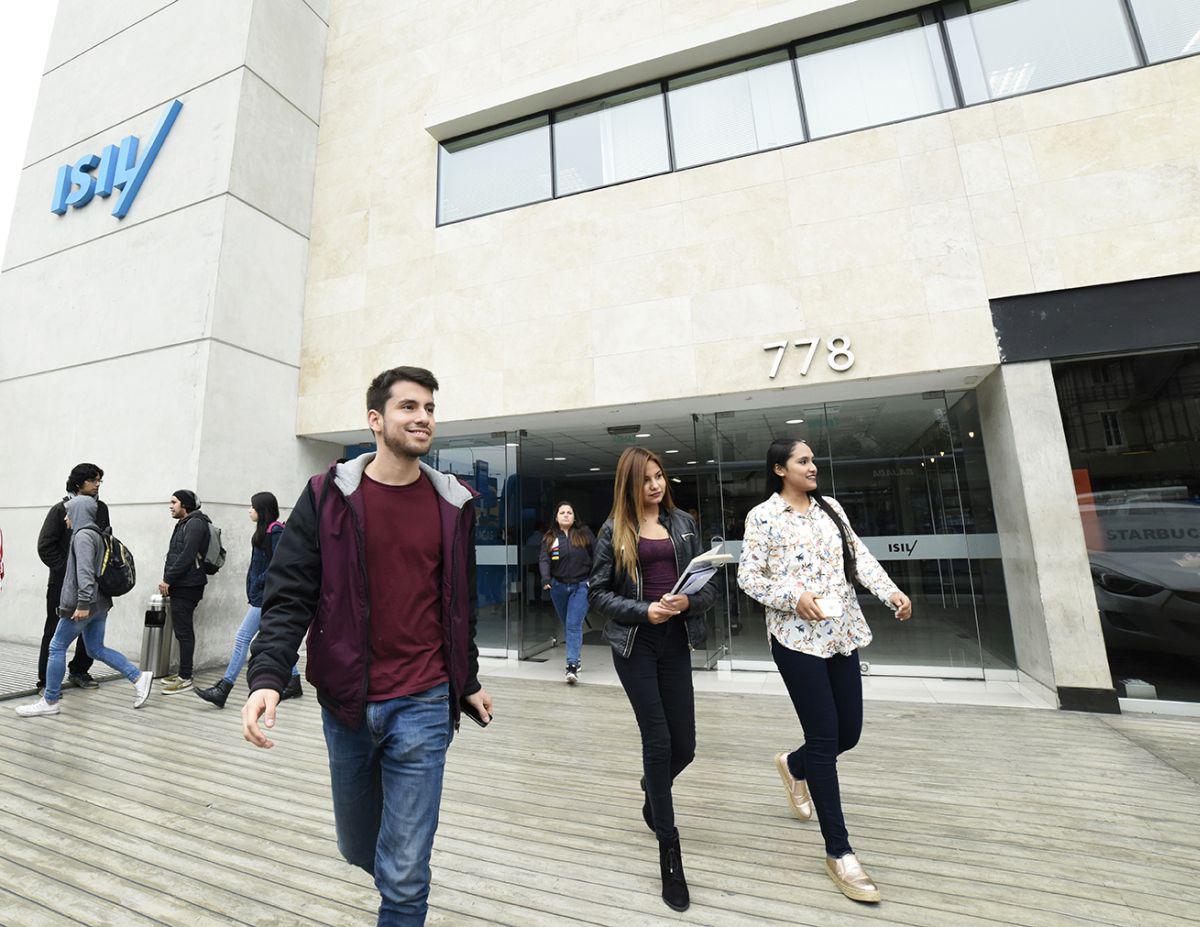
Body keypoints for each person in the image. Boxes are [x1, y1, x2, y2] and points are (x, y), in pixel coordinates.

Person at [243, 365, 493, 927]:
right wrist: (266, 679)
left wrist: (467, 680)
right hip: (348, 702)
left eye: (429, 407)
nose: (423, 417)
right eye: (409, 407)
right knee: (359, 848)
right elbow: (289, 597)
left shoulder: (453, 505)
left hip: (425, 703)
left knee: (405, 877)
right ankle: (398, 881)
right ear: (376, 420)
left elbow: (460, 605)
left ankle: (403, 898)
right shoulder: (326, 497)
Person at [738, 437, 912, 904]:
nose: (813, 467)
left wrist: (890, 592)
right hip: (795, 640)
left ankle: (793, 766)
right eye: (803, 460)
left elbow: (858, 557)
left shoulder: (831, 507)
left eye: (813, 460)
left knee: (847, 733)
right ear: (780, 469)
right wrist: (793, 598)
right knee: (823, 738)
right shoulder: (763, 517)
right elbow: (749, 577)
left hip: (842, 632)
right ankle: (840, 852)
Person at [588, 446, 718, 913]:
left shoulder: (683, 523)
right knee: (659, 742)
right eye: (646, 479)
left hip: (675, 642)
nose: (656, 485)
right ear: (630, 484)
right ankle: (670, 852)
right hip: (635, 646)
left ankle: (653, 788)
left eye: (660, 476)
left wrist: (686, 603)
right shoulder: (612, 530)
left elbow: (708, 587)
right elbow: (598, 594)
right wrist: (645, 610)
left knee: (685, 746)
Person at [16, 495, 153, 717]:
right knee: (95, 648)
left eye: (69, 512)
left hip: (84, 605)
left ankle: (50, 700)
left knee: (56, 646)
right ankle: (138, 677)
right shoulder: (96, 534)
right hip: (100, 603)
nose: (66, 517)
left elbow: (85, 573)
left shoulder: (82, 537)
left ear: (79, 513)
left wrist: (81, 604)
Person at [195, 492, 300, 708]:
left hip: (267, 596)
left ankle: (224, 688)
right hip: (260, 595)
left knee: (243, 637)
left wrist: (259, 583)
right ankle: (294, 680)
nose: (249, 510)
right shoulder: (264, 531)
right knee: (276, 638)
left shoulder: (275, 531)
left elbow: (279, 564)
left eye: (252, 507)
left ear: (262, 510)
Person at [35, 462, 108, 692]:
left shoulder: (101, 508)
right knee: (54, 631)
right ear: (78, 483)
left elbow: (105, 541)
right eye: (93, 480)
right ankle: (46, 681)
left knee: (89, 631)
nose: (97, 485)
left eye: (99, 481)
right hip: (61, 584)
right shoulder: (60, 509)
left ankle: (79, 670)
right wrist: (68, 570)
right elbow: (45, 546)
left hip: (93, 583)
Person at [158, 489, 213, 694]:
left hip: (188, 585)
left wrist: (167, 579)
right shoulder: (185, 523)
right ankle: (183, 672)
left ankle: (185, 677)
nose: (171, 506)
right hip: (183, 584)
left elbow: (187, 555)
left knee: (184, 631)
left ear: (185, 504)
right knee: (182, 631)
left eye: (174, 502)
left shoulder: (195, 523)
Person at [539, 501, 595, 684]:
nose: (565, 515)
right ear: (556, 517)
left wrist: (594, 580)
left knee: (572, 624)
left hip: (581, 585)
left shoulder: (584, 533)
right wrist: (546, 579)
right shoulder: (549, 537)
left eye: (569, 512)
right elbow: (544, 559)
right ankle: (575, 656)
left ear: (574, 516)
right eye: (562, 512)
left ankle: (571, 666)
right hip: (559, 587)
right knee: (570, 624)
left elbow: (598, 555)